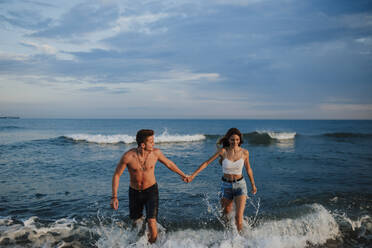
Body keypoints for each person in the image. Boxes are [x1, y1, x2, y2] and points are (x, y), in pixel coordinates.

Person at [110, 129, 188, 243]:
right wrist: (114, 197)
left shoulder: (156, 153)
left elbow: (169, 163)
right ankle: (139, 242)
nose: (153, 143)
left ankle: (153, 244)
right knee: (136, 222)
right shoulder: (128, 156)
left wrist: (183, 175)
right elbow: (117, 175)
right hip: (134, 192)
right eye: (151, 141)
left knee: (151, 221)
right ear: (142, 144)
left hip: (151, 191)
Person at [186, 128, 257, 232]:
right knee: (226, 216)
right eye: (232, 139)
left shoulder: (245, 152)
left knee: (238, 218)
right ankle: (229, 236)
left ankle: (241, 241)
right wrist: (193, 175)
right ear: (228, 139)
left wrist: (253, 184)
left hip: (240, 186)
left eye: (237, 139)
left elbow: (248, 169)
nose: (235, 142)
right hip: (226, 186)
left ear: (240, 140)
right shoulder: (223, 151)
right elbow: (206, 163)